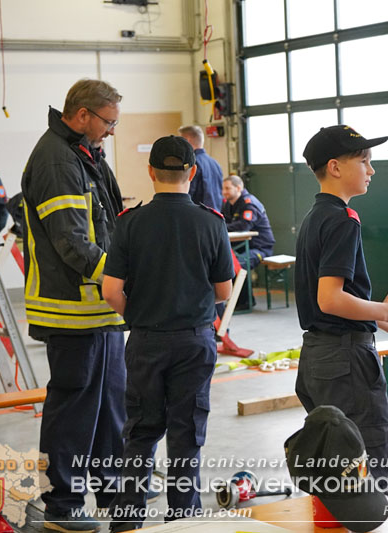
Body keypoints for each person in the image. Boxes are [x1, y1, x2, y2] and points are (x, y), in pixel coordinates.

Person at [102, 136, 234, 532]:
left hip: (145, 341)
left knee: (140, 433)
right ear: (192, 173)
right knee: (186, 434)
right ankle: (182, 521)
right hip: (194, 342)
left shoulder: (131, 222)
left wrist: (140, 315)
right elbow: (224, 291)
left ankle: (126, 523)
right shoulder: (211, 222)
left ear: (150, 172)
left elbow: (110, 290)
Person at [21, 78, 127, 533]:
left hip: (100, 310)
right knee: (74, 410)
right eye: (107, 122)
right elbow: (72, 242)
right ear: (81, 115)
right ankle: (63, 503)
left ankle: (111, 488)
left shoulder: (85, 155)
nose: (110, 131)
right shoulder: (56, 160)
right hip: (71, 310)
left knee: (110, 407)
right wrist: (119, 278)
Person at [294, 125, 388, 488]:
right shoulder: (342, 220)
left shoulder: (314, 217)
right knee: (365, 466)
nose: (371, 169)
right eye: (364, 161)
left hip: (318, 358)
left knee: (332, 465)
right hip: (345, 362)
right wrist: (387, 312)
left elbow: (330, 301)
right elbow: (330, 300)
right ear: (335, 168)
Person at [220, 174, 275, 309]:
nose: (224, 192)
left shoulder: (250, 204)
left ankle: (244, 302)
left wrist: (221, 228)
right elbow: (222, 222)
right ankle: (237, 300)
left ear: (238, 188)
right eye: (223, 189)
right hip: (241, 246)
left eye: (228, 188)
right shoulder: (228, 205)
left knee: (238, 264)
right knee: (225, 261)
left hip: (260, 248)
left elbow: (244, 226)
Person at [177, 125, 223, 210]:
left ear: (187, 140)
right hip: (215, 215)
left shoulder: (193, 163)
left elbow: (188, 193)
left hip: (197, 215)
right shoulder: (215, 163)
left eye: (180, 141)